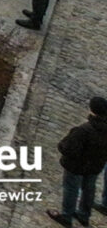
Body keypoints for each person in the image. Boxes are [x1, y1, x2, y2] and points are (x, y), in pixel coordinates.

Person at [57, 95, 107, 228]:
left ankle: (66, 216)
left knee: (71, 189)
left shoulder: (84, 130)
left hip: (76, 166)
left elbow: (68, 148)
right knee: (89, 189)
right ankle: (84, 215)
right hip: (95, 166)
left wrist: (62, 146)